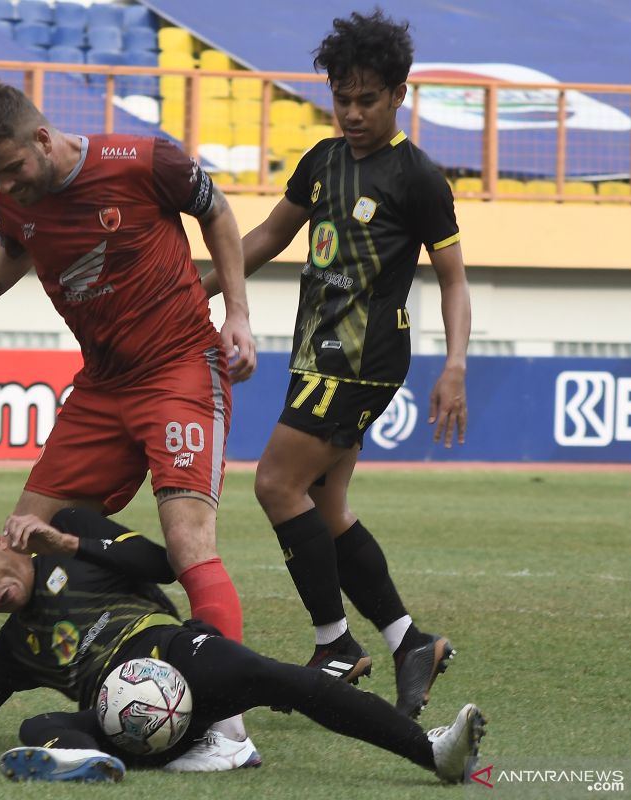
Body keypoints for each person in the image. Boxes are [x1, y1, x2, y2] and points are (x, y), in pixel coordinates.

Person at [0, 76, 259, 768]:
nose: (9, 184)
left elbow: (219, 215)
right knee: (21, 540)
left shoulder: (145, 160)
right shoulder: (8, 190)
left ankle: (225, 726)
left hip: (180, 367)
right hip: (102, 387)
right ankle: (135, 666)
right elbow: (14, 245)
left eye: (13, 168)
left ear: (42, 136)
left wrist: (236, 311)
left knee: (189, 543)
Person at [202, 10, 472, 718]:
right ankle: (410, 640)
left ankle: (334, 643)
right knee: (326, 506)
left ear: (398, 95)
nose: (352, 113)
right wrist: (195, 292)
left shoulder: (418, 178)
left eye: (367, 99)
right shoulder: (321, 161)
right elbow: (265, 235)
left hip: (362, 361)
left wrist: (456, 366)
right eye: (341, 98)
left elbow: (452, 280)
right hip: (313, 353)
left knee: (273, 483)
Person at [0, 509, 486, 784]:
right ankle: (138, 756)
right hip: (117, 712)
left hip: (174, 653)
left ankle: (432, 752)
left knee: (281, 678)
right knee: (38, 724)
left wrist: (66, 542)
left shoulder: (74, 532)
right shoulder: (11, 650)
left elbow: (163, 564)